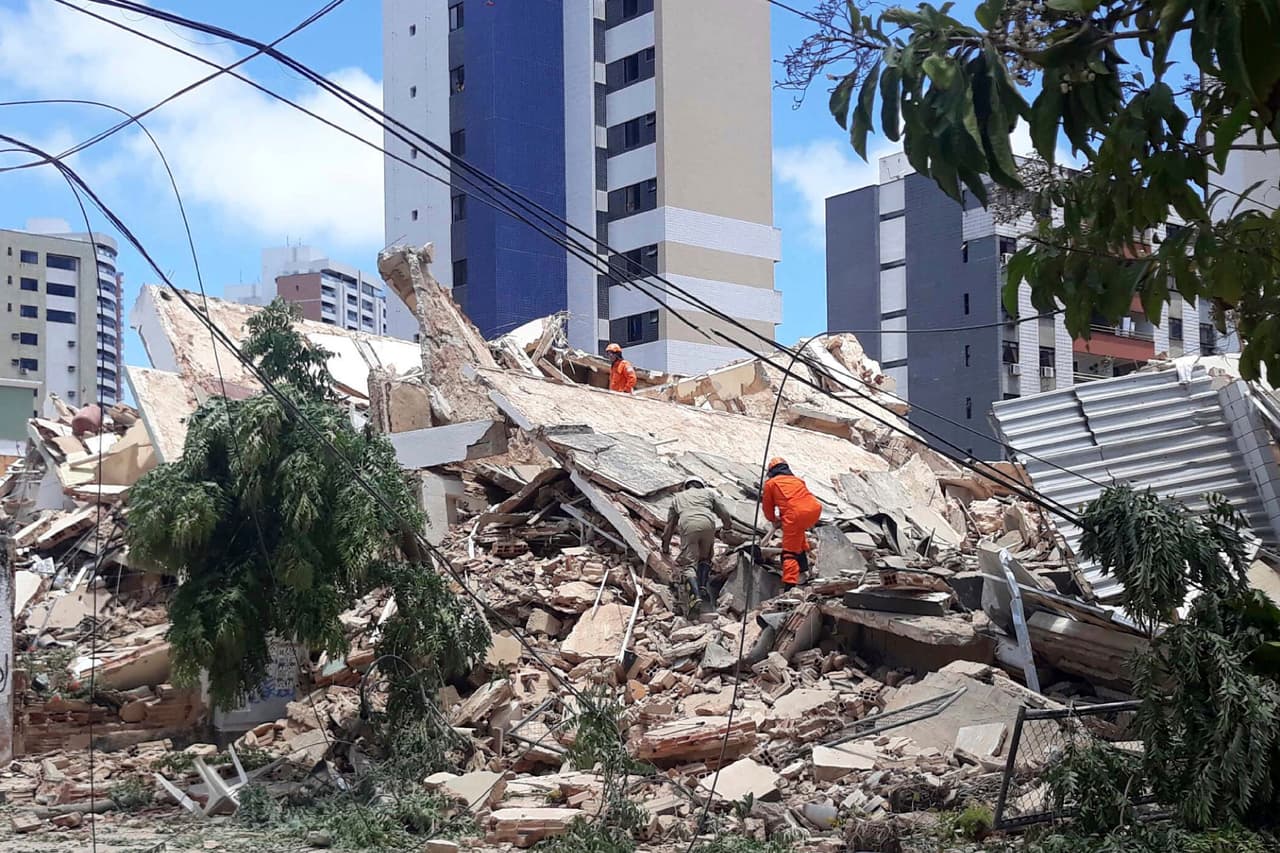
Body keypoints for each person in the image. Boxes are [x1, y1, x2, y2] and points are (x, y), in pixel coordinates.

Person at [662, 476, 734, 603]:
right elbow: (724, 513)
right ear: (701, 485)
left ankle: (695, 597)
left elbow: (670, 525)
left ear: (686, 486)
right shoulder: (709, 493)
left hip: (688, 524)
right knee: (705, 558)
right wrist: (727, 528)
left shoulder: (678, 497)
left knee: (690, 562)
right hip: (708, 523)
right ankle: (702, 587)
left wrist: (665, 546)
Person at [761, 457, 823, 588]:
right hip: (814, 510)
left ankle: (790, 587)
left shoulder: (771, 484)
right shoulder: (798, 480)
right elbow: (797, 500)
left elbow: (767, 508)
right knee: (798, 534)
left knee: (789, 552)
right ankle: (803, 568)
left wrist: (773, 519)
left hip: (795, 514)